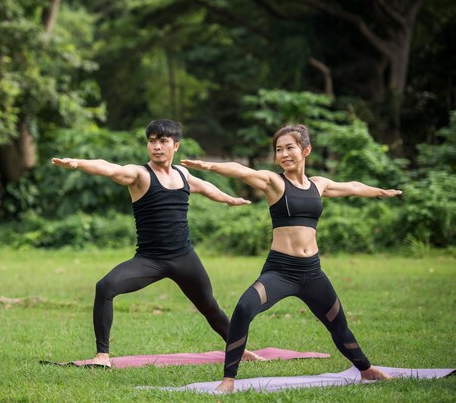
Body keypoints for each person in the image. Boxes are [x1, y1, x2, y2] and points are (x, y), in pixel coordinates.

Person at [181, 124, 399, 392]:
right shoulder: (274, 182)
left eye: (290, 148)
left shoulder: (319, 184)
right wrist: (209, 166)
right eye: (278, 149)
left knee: (338, 324)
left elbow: (352, 187)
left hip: (313, 273)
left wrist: (381, 192)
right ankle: (229, 379)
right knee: (244, 309)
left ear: (305, 150)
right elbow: (242, 170)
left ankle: (366, 370)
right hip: (281, 271)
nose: (283, 154)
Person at [51, 119, 264, 367]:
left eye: (163, 141)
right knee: (105, 287)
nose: (157, 146)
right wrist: (78, 163)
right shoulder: (140, 174)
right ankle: (102, 356)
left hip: (184, 258)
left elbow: (205, 187)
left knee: (210, 307)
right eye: (152, 141)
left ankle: (241, 350)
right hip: (149, 260)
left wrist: (230, 200)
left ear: (176, 146)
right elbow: (108, 167)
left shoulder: (182, 174)